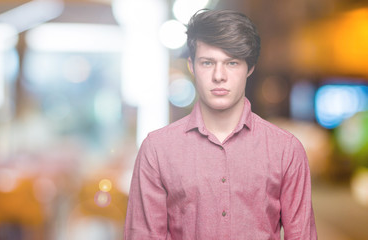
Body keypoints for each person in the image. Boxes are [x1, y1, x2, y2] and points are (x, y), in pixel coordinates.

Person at [124, 9, 317, 239]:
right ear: (192, 66)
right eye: (207, 63)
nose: (219, 76)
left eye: (232, 63)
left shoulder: (286, 150)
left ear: (250, 68)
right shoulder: (157, 149)